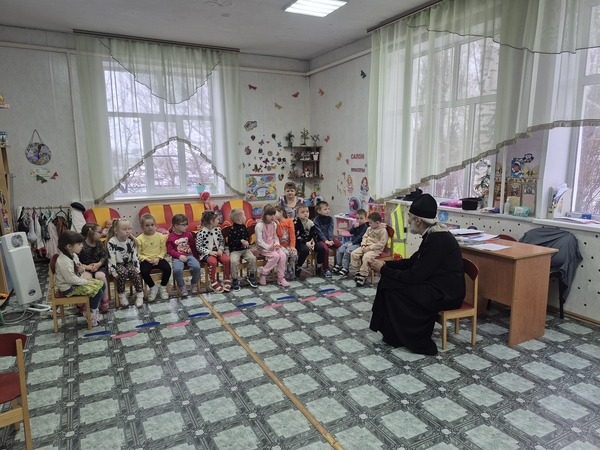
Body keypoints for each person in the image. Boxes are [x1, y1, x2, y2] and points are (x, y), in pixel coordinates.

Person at [369, 194, 465, 355]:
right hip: (433, 284)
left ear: (418, 220)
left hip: (444, 293)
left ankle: (410, 338)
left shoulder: (438, 239)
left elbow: (415, 276)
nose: (408, 221)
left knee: (390, 284)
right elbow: (413, 262)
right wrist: (385, 264)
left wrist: (383, 270)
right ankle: (394, 335)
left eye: (409, 217)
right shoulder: (431, 234)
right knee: (388, 281)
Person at [55, 231, 106, 327]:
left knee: (102, 284)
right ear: (69, 246)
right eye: (79, 244)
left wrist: (82, 269)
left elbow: (79, 269)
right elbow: (71, 279)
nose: (82, 246)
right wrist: (87, 282)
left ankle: (90, 309)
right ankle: (91, 313)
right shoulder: (64, 262)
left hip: (75, 282)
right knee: (97, 291)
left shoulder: (73, 255)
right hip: (69, 288)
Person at [106, 219, 144, 307]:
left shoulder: (131, 240)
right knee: (123, 272)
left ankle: (139, 294)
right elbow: (111, 257)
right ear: (116, 231)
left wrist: (137, 268)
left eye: (129, 229)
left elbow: (134, 255)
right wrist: (113, 271)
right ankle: (121, 294)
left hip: (128, 262)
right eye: (124, 229)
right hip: (117, 264)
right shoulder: (112, 242)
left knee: (134, 272)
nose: (128, 231)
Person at [136, 213, 171, 301]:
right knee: (144, 272)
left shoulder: (161, 236)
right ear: (142, 226)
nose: (150, 227)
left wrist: (158, 258)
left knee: (168, 269)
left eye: (152, 225)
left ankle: (163, 287)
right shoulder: (139, 239)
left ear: (155, 225)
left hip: (158, 258)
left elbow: (163, 250)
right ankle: (152, 287)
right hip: (146, 259)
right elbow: (138, 253)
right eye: (147, 225)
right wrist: (146, 259)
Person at [350, 212, 389, 286]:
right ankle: (358, 271)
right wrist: (363, 245)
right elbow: (364, 237)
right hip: (365, 246)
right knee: (353, 253)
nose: (369, 224)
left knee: (366, 257)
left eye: (370, 223)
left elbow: (381, 244)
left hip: (375, 249)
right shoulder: (369, 228)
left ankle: (363, 275)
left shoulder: (383, 231)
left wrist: (369, 248)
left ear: (377, 223)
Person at [196, 210, 231, 293]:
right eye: (217, 219)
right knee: (213, 261)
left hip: (218, 251)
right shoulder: (201, 233)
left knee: (226, 260)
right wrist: (209, 252)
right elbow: (198, 247)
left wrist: (220, 249)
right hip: (206, 254)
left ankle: (227, 279)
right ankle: (213, 282)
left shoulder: (217, 230)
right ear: (211, 221)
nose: (219, 221)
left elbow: (222, 241)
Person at [167, 214, 201, 296]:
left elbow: (193, 246)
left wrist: (196, 257)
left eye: (187, 224)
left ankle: (194, 283)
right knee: (177, 270)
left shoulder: (188, 234)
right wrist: (179, 256)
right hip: (177, 257)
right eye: (184, 225)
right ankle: (182, 286)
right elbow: (169, 250)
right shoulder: (170, 237)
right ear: (176, 225)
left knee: (197, 267)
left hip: (189, 255)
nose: (186, 226)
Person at [255, 205, 290, 287]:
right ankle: (263, 274)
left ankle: (281, 278)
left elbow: (275, 236)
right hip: (263, 247)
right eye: (270, 215)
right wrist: (268, 247)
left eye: (273, 214)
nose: (273, 217)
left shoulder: (274, 224)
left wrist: (277, 244)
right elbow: (259, 241)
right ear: (265, 215)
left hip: (273, 245)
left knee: (283, 255)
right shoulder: (259, 226)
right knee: (275, 256)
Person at [79, 222, 110, 312]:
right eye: (99, 232)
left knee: (100, 276)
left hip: (99, 266)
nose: (101, 234)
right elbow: (77, 261)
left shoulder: (99, 243)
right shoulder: (81, 245)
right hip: (85, 268)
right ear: (92, 233)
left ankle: (105, 299)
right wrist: (87, 267)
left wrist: (98, 264)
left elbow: (104, 256)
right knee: (86, 278)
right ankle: (86, 301)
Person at [227, 208, 258, 291]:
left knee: (252, 258)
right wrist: (240, 241)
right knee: (233, 261)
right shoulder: (232, 230)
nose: (245, 217)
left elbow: (247, 236)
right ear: (240, 218)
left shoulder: (244, 227)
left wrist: (247, 241)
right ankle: (235, 279)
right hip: (235, 251)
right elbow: (230, 242)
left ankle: (251, 276)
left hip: (245, 250)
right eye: (244, 215)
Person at [331, 209, 368, 277]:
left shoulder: (365, 227)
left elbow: (360, 237)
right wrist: (354, 227)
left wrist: (352, 243)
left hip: (358, 244)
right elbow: (351, 232)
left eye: (361, 218)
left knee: (347, 251)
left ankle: (345, 268)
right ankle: (339, 265)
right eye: (357, 218)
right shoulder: (356, 225)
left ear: (365, 218)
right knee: (340, 249)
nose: (359, 220)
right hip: (351, 241)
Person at [313, 201, 342, 277]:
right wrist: (325, 240)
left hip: (329, 238)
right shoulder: (316, 220)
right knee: (325, 249)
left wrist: (331, 239)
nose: (328, 211)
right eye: (325, 209)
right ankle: (326, 269)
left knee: (341, 246)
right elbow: (319, 232)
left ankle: (339, 265)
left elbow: (330, 230)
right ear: (319, 211)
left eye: (328, 209)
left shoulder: (330, 219)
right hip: (320, 239)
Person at [293, 204, 318, 278]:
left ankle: (319, 266)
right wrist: (306, 243)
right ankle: (298, 266)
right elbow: (297, 236)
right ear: (297, 214)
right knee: (305, 250)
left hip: (309, 241)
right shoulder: (295, 223)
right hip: (299, 242)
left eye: (307, 211)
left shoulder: (311, 223)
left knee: (321, 248)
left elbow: (314, 233)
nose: (305, 214)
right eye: (302, 212)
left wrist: (313, 241)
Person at [274, 206, 298, 279]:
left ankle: (290, 268)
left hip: (288, 244)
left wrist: (292, 246)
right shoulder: (275, 223)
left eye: (275, 213)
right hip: (280, 245)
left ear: (281, 212)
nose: (273, 215)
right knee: (285, 254)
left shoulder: (289, 221)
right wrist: (278, 224)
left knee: (294, 253)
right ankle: (284, 269)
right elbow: (279, 234)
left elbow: (292, 235)